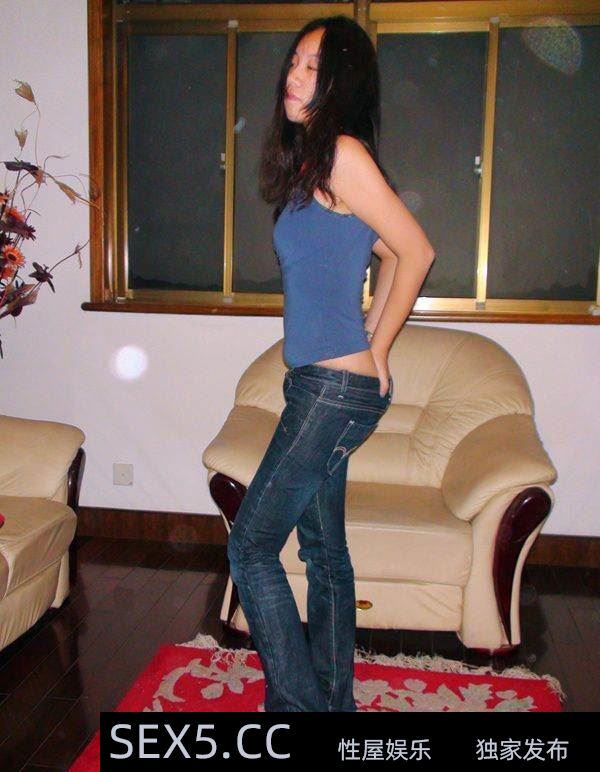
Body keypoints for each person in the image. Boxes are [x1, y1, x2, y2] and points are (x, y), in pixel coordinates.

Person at [227, 15, 436, 712]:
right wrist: (369, 337)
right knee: (323, 553)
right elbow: (384, 249)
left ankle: (297, 708)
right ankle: (335, 706)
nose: (293, 76)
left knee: (250, 549)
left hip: (333, 388)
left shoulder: (344, 154)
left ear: (341, 81)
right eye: (294, 61)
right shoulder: (315, 168)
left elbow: (417, 251)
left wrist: (378, 344)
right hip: (321, 385)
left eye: (313, 67)